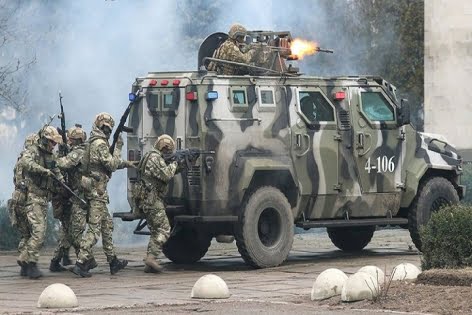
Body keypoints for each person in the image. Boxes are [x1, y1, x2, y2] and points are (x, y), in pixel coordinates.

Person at [71, 112, 134, 277]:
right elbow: (111, 164)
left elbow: (104, 164)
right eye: (106, 127)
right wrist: (119, 146)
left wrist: (126, 163)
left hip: (95, 190)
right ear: (101, 126)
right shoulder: (99, 143)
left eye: (109, 128)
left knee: (106, 226)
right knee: (94, 229)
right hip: (97, 192)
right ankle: (81, 262)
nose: (107, 131)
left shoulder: (93, 141)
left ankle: (113, 261)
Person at [15, 126, 64, 279]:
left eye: (55, 143)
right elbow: (26, 163)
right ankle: (31, 263)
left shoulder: (50, 155)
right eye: (51, 142)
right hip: (33, 197)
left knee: (36, 233)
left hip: (43, 198)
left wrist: (62, 183)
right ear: (44, 139)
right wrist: (43, 170)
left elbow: (55, 170)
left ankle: (24, 262)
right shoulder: (33, 151)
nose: (53, 146)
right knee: (39, 232)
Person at [132, 134, 179, 273]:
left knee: (154, 231)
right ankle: (152, 257)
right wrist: (175, 164)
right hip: (152, 201)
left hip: (146, 200)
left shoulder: (149, 155)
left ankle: (149, 262)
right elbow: (166, 175)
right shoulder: (155, 158)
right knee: (164, 229)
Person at [49, 125, 87, 272]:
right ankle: (83, 260)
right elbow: (62, 166)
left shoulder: (68, 153)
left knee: (67, 230)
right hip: (63, 195)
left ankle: (57, 260)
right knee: (70, 230)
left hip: (67, 195)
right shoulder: (63, 156)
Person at [8, 133, 39, 277]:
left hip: (16, 197)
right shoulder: (29, 160)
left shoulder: (20, 159)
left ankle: (24, 267)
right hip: (25, 198)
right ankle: (26, 260)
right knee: (35, 232)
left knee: (26, 234)